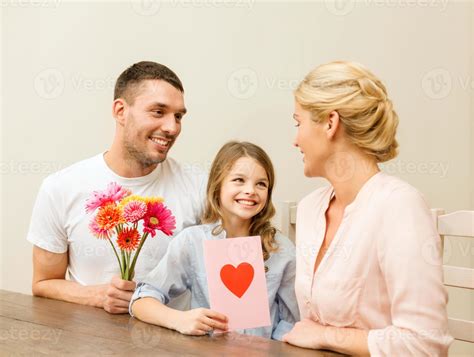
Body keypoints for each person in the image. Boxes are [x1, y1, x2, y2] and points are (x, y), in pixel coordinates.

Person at [282, 61, 452, 355]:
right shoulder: (310, 209)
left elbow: (426, 344)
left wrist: (324, 336)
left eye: (299, 123)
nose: (295, 140)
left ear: (330, 123)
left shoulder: (399, 206)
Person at [27, 61, 207, 314]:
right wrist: (98, 296)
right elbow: (43, 283)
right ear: (121, 111)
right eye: (158, 112)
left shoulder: (201, 186)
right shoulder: (60, 187)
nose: (172, 127)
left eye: (178, 116)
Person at [129, 141, 299, 340]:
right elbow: (141, 300)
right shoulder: (192, 242)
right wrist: (179, 319)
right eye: (239, 180)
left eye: (261, 184)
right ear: (217, 186)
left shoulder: (281, 249)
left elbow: (292, 321)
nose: (250, 190)